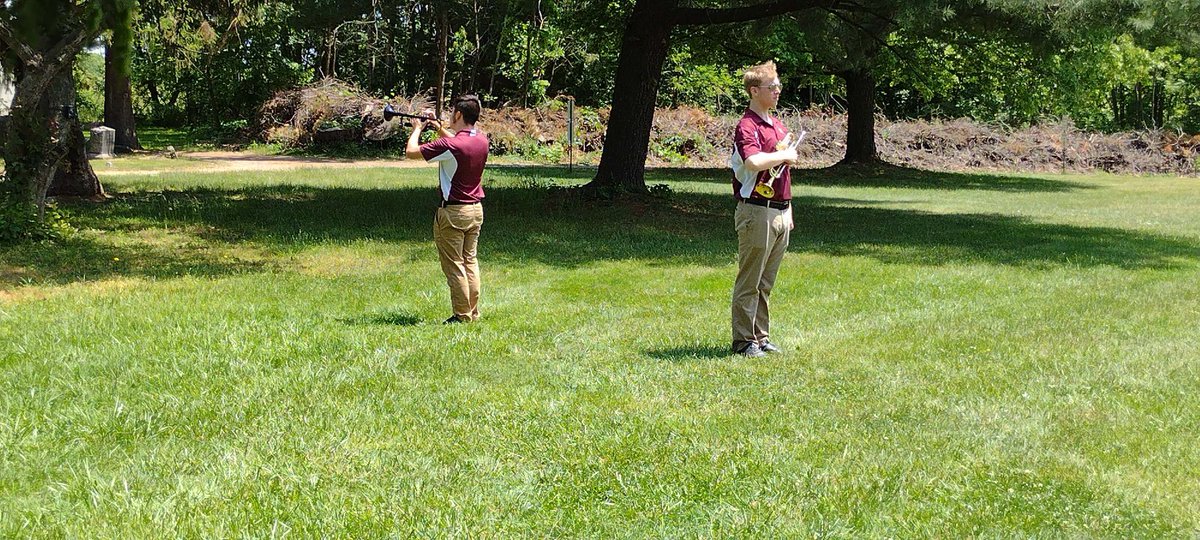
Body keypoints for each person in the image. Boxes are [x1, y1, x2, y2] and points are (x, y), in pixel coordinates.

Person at [728, 61, 798, 358]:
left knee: (766, 282)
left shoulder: (777, 125)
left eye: (779, 86)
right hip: (756, 209)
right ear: (755, 91)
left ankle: (761, 336)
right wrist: (782, 154)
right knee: (750, 280)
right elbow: (753, 162)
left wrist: (788, 210)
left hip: (779, 210)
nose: (778, 91)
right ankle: (743, 341)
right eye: (772, 87)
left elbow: (782, 172)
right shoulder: (747, 125)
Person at [405, 95, 489, 324]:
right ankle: (473, 312)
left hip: (453, 213)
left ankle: (462, 316)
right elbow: (458, 144)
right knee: (470, 261)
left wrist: (417, 129)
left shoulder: (450, 145)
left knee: (454, 266)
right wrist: (438, 126)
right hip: (475, 211)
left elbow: (411, 152)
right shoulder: (481, 140)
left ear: (459, 114)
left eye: (452, 111)